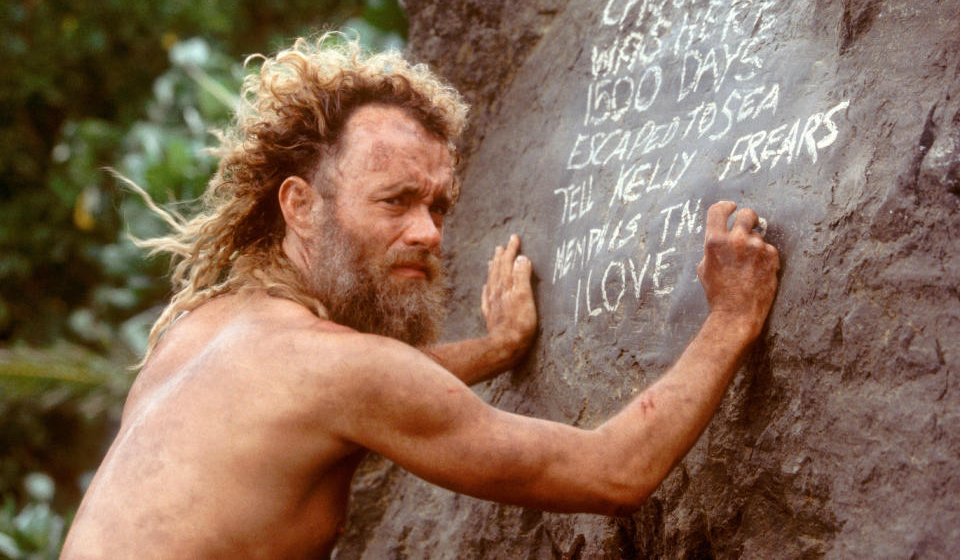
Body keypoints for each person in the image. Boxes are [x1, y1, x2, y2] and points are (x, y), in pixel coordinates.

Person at [61, 35, 780, 560]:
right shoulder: (341, 371)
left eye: (439, 204)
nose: (428, 231)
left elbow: (343, 394)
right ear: (301, 205)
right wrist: (731, 317)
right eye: (396, 200)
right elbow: (614, 471)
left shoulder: (203, 330)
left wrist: (495, 350)